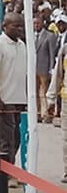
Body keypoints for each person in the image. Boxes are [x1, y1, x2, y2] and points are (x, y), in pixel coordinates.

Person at [0, 13, 27, 188]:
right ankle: (7, 173)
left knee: (17, 138)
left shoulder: (23, 45)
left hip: (19, 99)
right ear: (5, 26)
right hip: (4, 99)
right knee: (7, 139)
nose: (19, 29)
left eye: (21, 26)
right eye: (15, 26)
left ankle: (9, 168)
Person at [46, 42, 67, 183]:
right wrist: (51, 99)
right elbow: (58, 74)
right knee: (66, 138)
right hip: (66, 99)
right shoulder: (65, 49)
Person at [34, 17, 57, 122]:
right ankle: (38, 113)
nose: (36, 25)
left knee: (45, 93)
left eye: (38, 23)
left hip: (44, 69)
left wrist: (51, 69)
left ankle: (48, 114)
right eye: (34, 23)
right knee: (35, 93)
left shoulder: (49, 36)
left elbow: (52, 54)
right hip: (34, 69)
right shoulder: (32, 36)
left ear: (42, 23)